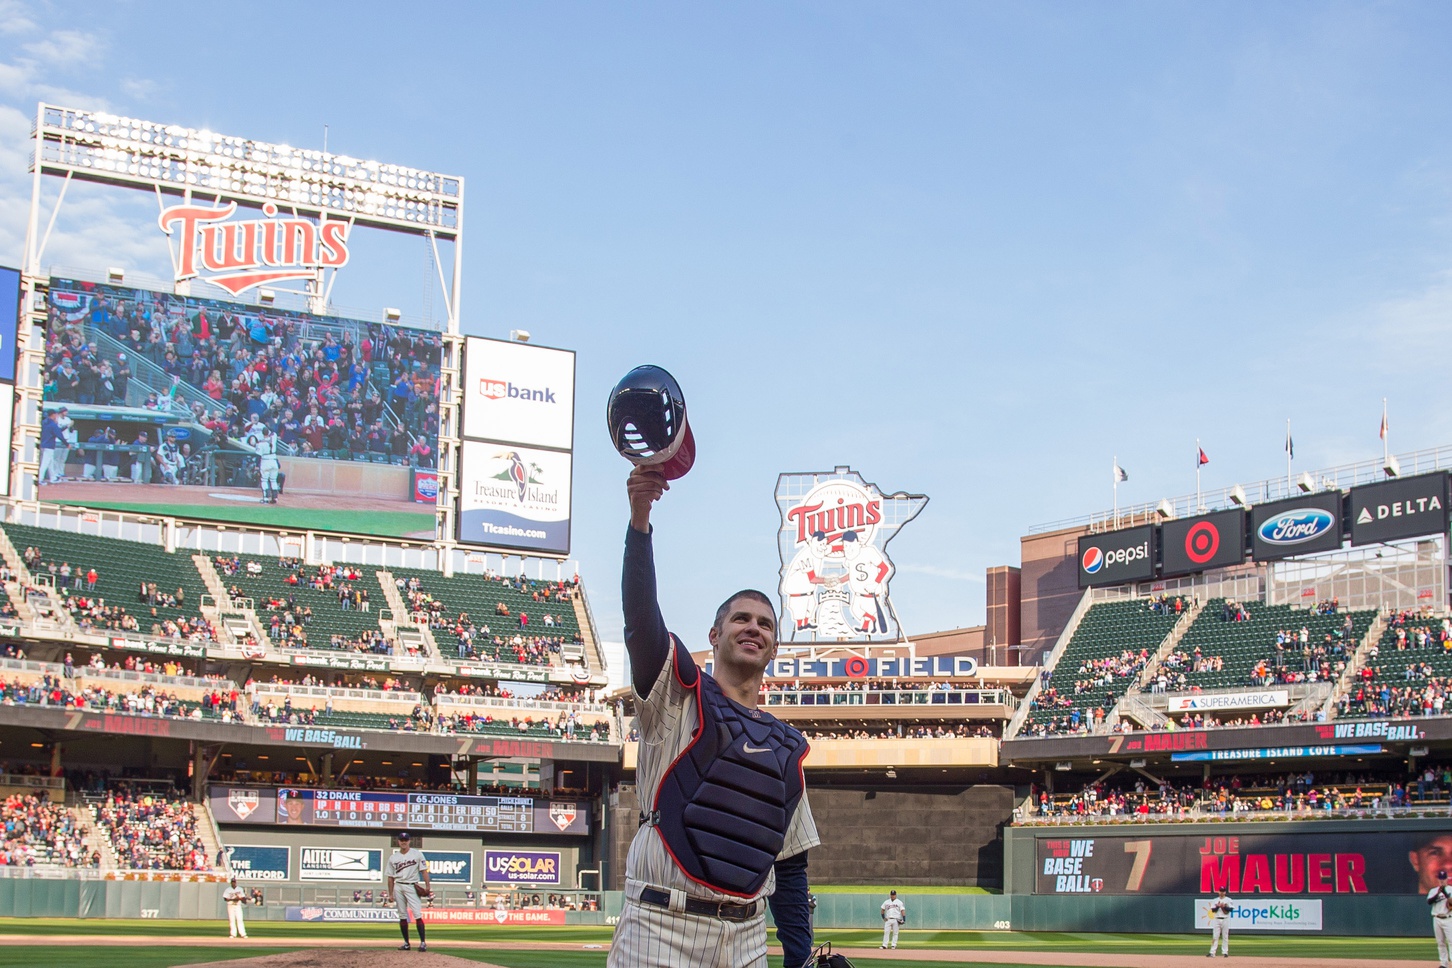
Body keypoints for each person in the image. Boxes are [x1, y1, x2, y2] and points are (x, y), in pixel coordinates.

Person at [609, 464, 817, 968]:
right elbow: (641, 622)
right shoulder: (675, 696)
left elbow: (791, 867)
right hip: (660, 928)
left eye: (765, 624)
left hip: (746, 938)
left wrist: (798, 955)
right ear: (715, 634)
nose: (754, 628)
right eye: (741, 619)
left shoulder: (786, 748)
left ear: (774, 646)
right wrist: (640, 521)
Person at [386, 831, 431, 952]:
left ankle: (422, 943)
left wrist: (428, 886)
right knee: (402, 916)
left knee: (417, 914)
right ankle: (406, 943)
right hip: (398, 886)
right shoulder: (393, 857)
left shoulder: (417, 854)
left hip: (412, 886)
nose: (404, 842)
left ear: (409, 841)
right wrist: (390, 894)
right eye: (402, 840)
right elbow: (390, 877)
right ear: (399, 842)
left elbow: (424, 871)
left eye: (406, 840)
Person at [1430, 869, 1452, 968]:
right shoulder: (1433, 890)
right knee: (1440, 942)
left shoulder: (1451, 890)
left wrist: (1445, 893)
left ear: (1447, 879)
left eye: (1444, 878)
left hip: (1448, 918)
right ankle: (1444, 964)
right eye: (1440, 878)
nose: (1442, 880)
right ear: (1438, 879)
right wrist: (1439, 892)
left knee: (1451, 941)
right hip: (1437, 918)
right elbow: (1429, 901)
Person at [1208, 887, 1232, 958]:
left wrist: (1224, 906)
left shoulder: (1228, 900)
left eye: (1223, 891)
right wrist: (1218, 906)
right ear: (1218, 892)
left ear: (1225, 892)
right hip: (1217, 919)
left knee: (1225, 936)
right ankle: (1212, 952)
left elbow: (1230, 909)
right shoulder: (1215, 900)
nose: (1221, 892)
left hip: (1225, 919)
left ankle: (1225, 952)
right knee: (1215, 936)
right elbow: (1213, 910)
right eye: (1220, 891)